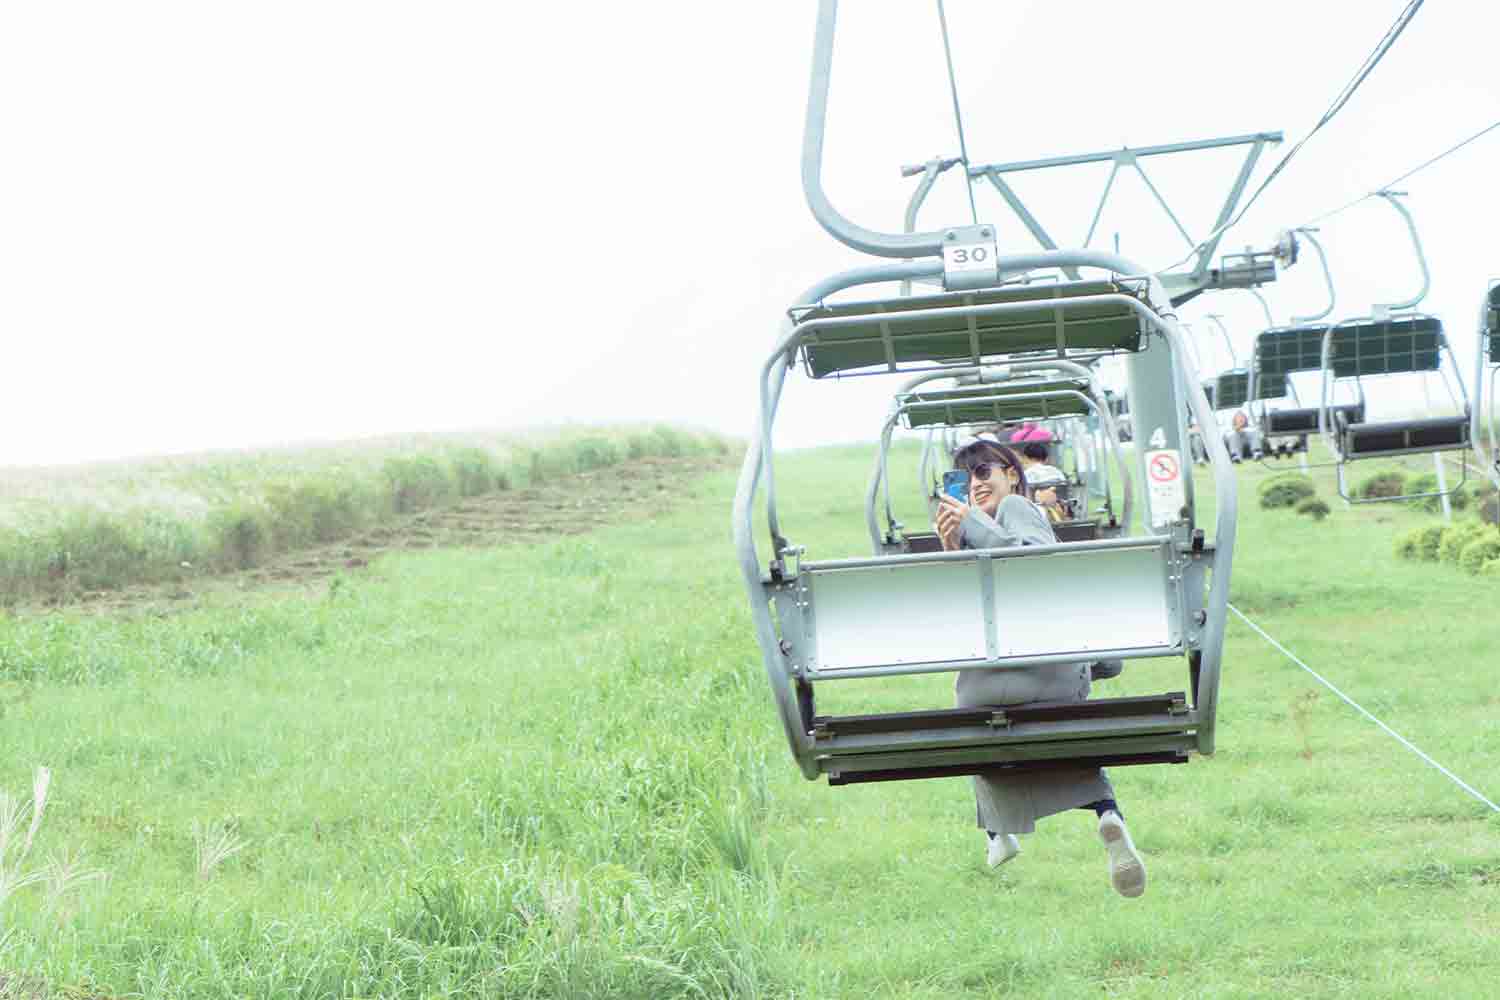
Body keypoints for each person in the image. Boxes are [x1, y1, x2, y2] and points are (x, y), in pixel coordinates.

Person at [933, 438, 1147, 898]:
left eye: (985, 470)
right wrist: (953, 543)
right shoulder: (985, 524)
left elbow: (1030, 561)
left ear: (1013, 473)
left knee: (976, 718)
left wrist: (970, 529)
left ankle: (998, 833)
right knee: (1055, 729)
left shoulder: (1016, 508)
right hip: (1050, 681)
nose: (976, 483)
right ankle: (1107, 813)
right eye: (967, 477)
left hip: (985, 692)